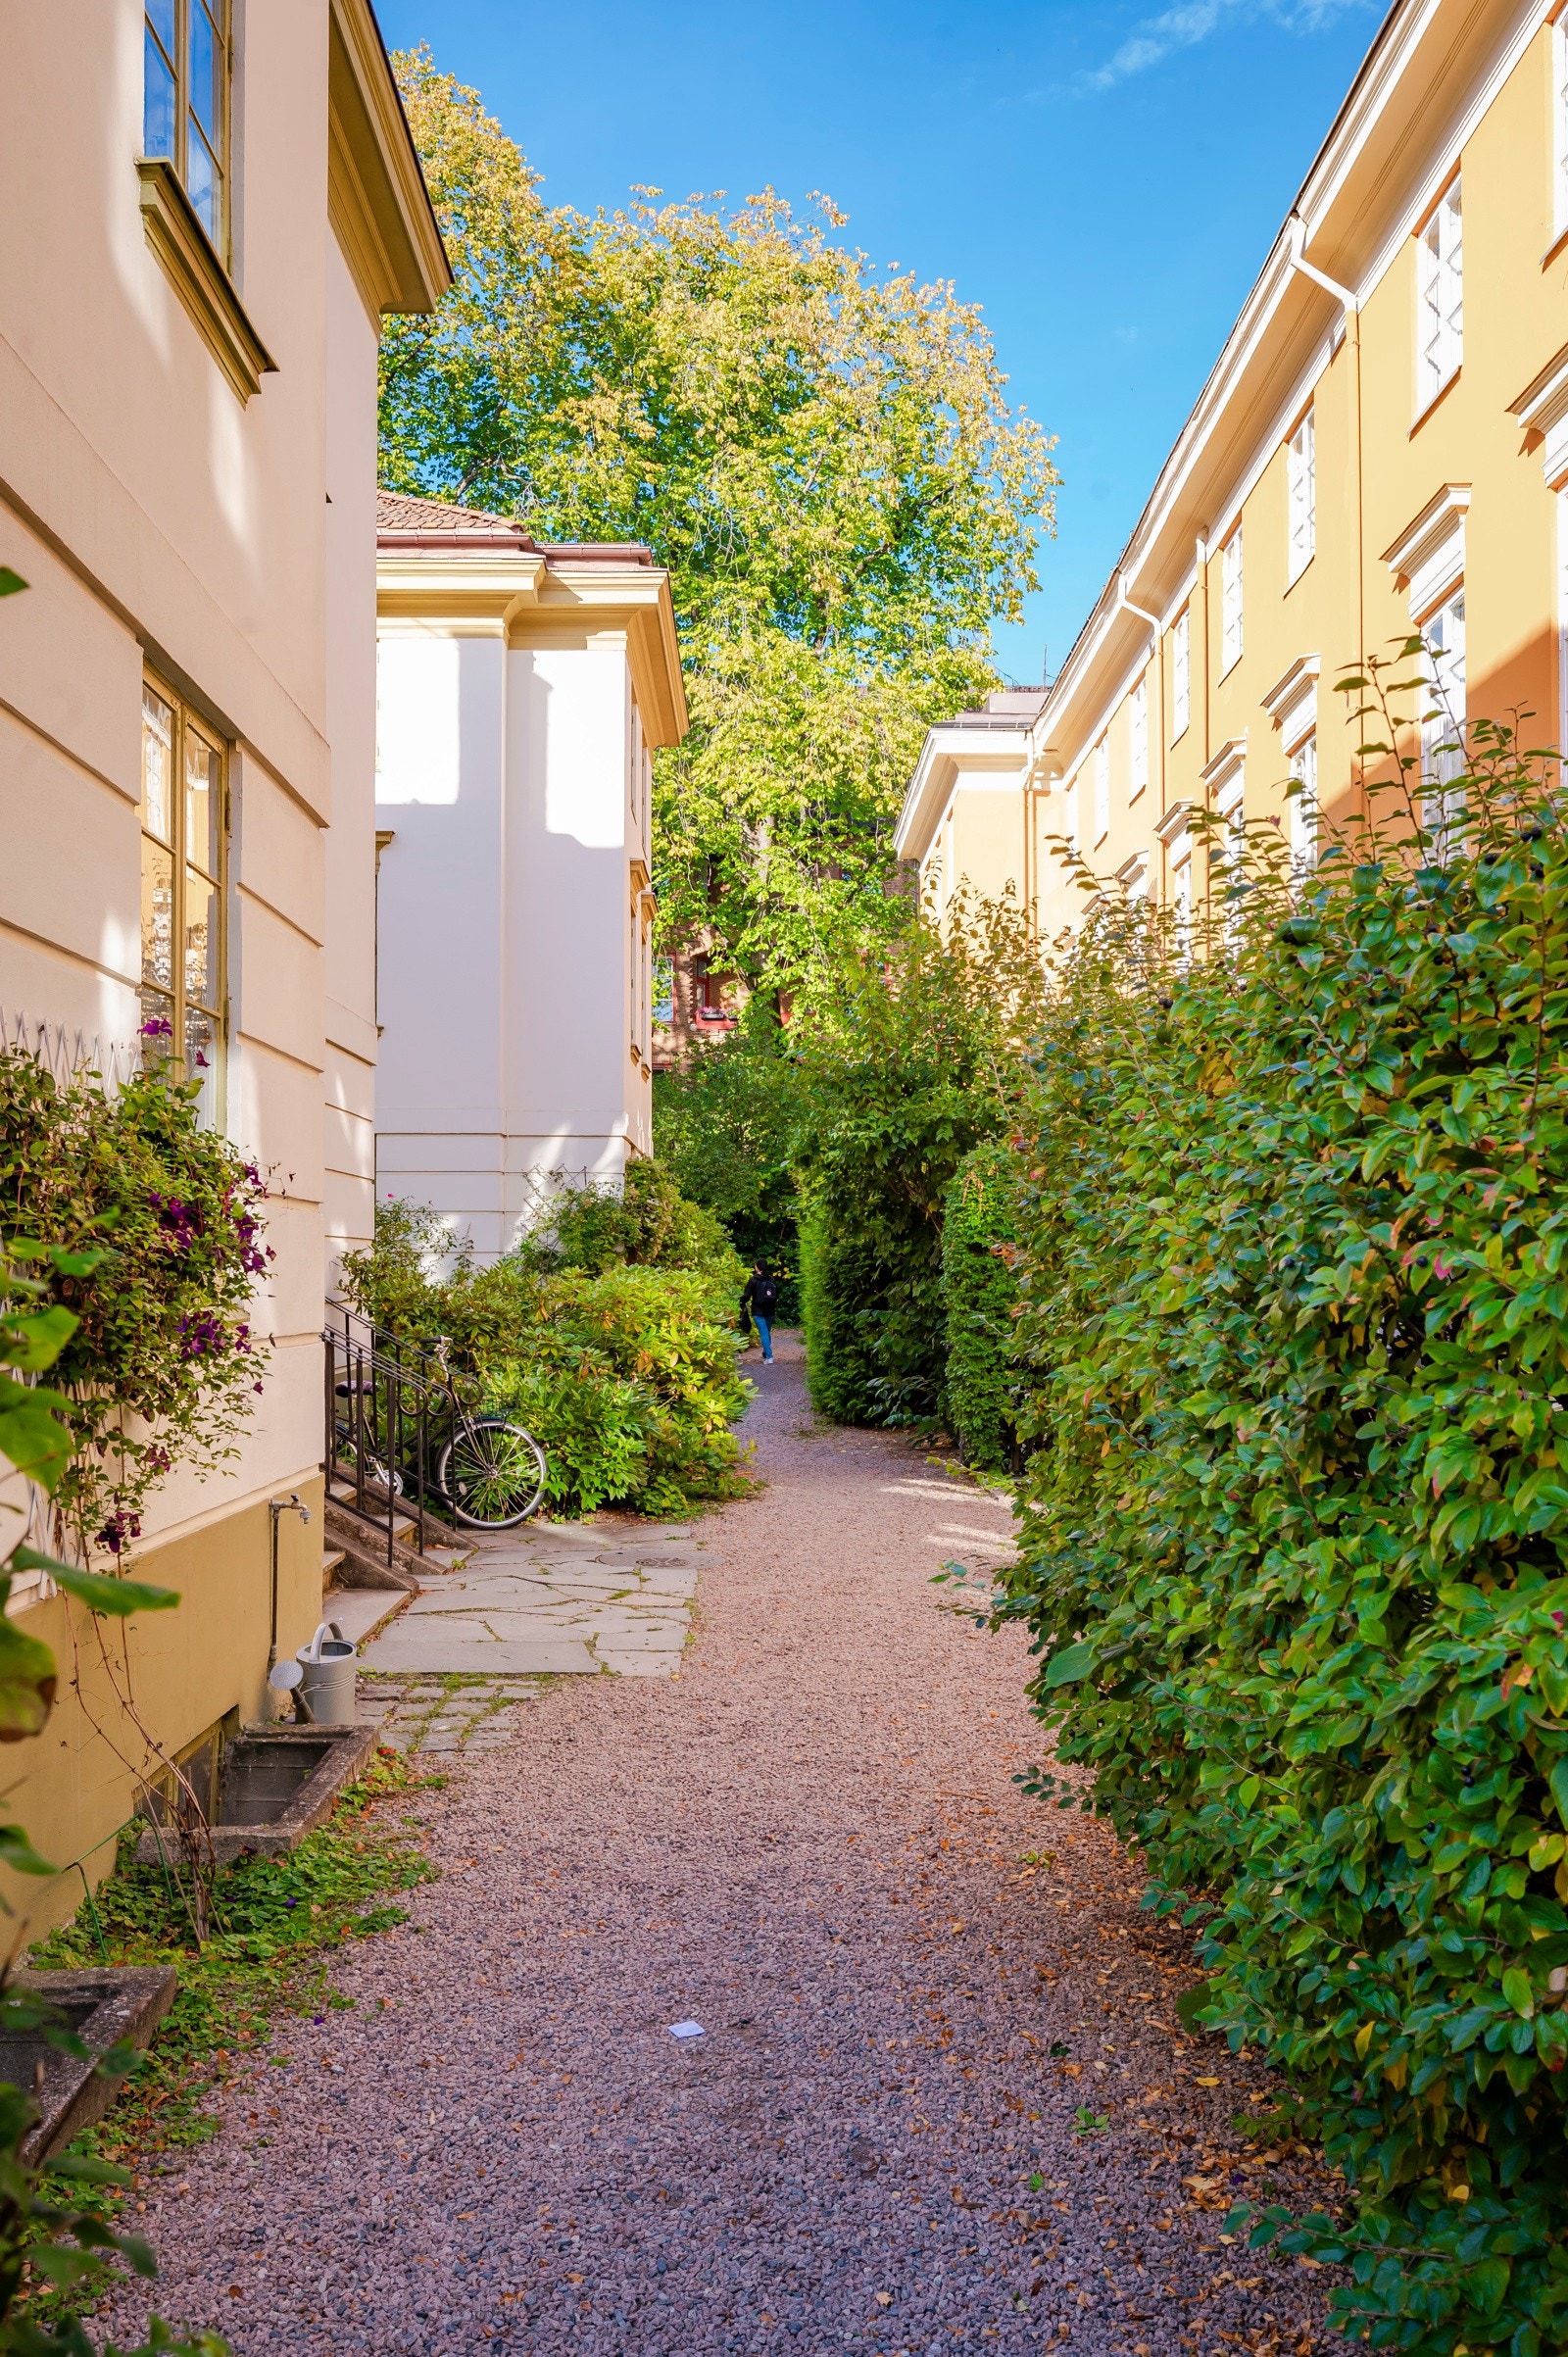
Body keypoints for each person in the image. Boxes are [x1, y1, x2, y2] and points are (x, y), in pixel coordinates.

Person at [741, 1261, 779, 1363]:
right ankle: (765, 1353)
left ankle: (769, 1357)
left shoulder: (753, 1280)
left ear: (757, 1267)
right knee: (766, 1332)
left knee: (764, 1333)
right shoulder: (771, 1279)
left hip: (758, 1310)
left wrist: (741, 1302)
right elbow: (776, 1294)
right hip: (770, 1310)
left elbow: (746, 1295)